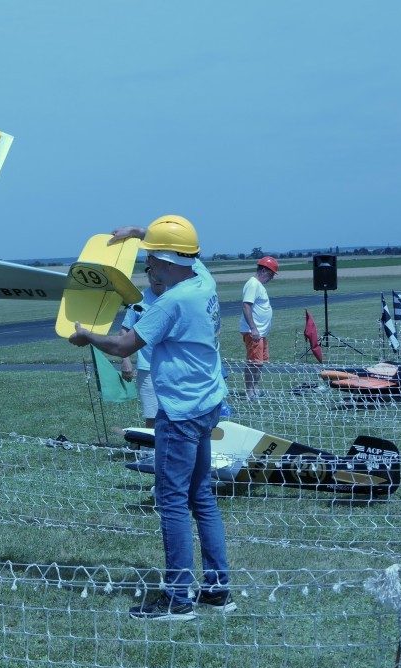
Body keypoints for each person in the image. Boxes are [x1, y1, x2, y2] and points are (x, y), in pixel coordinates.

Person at [69, 215, 234, 621]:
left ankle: (178, 599)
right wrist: (139, 232)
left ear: (167, 260)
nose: (149, 269)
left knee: (173, 503)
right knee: (202, 497)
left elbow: (125, 342)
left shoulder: (173, 301)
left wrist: (87, 335)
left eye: (151, 261)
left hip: (180, 413)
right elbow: (179, 246)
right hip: (208, 402)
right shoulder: (203, 278)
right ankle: (217, 590)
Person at [119, 267, 167, 428]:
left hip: (174, 367)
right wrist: (126, 360)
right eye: (153, 274)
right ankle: (150, 450)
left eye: (161, 274)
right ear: (149, 276)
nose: (157, 278)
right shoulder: (138, 301)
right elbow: (125, 330)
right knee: (152, 414)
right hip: (148, 368)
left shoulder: (175, 298)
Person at [239, 256, 278, 399]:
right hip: (254, 332)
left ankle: (255, 390)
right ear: (263, 270)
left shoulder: (258, 285)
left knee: (259, 363)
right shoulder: (253, 284)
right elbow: (246, 306)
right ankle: (250, 392)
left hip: (260, 332)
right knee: (253, 362)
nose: (272, 278)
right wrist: (253, 328)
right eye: (271, 274)